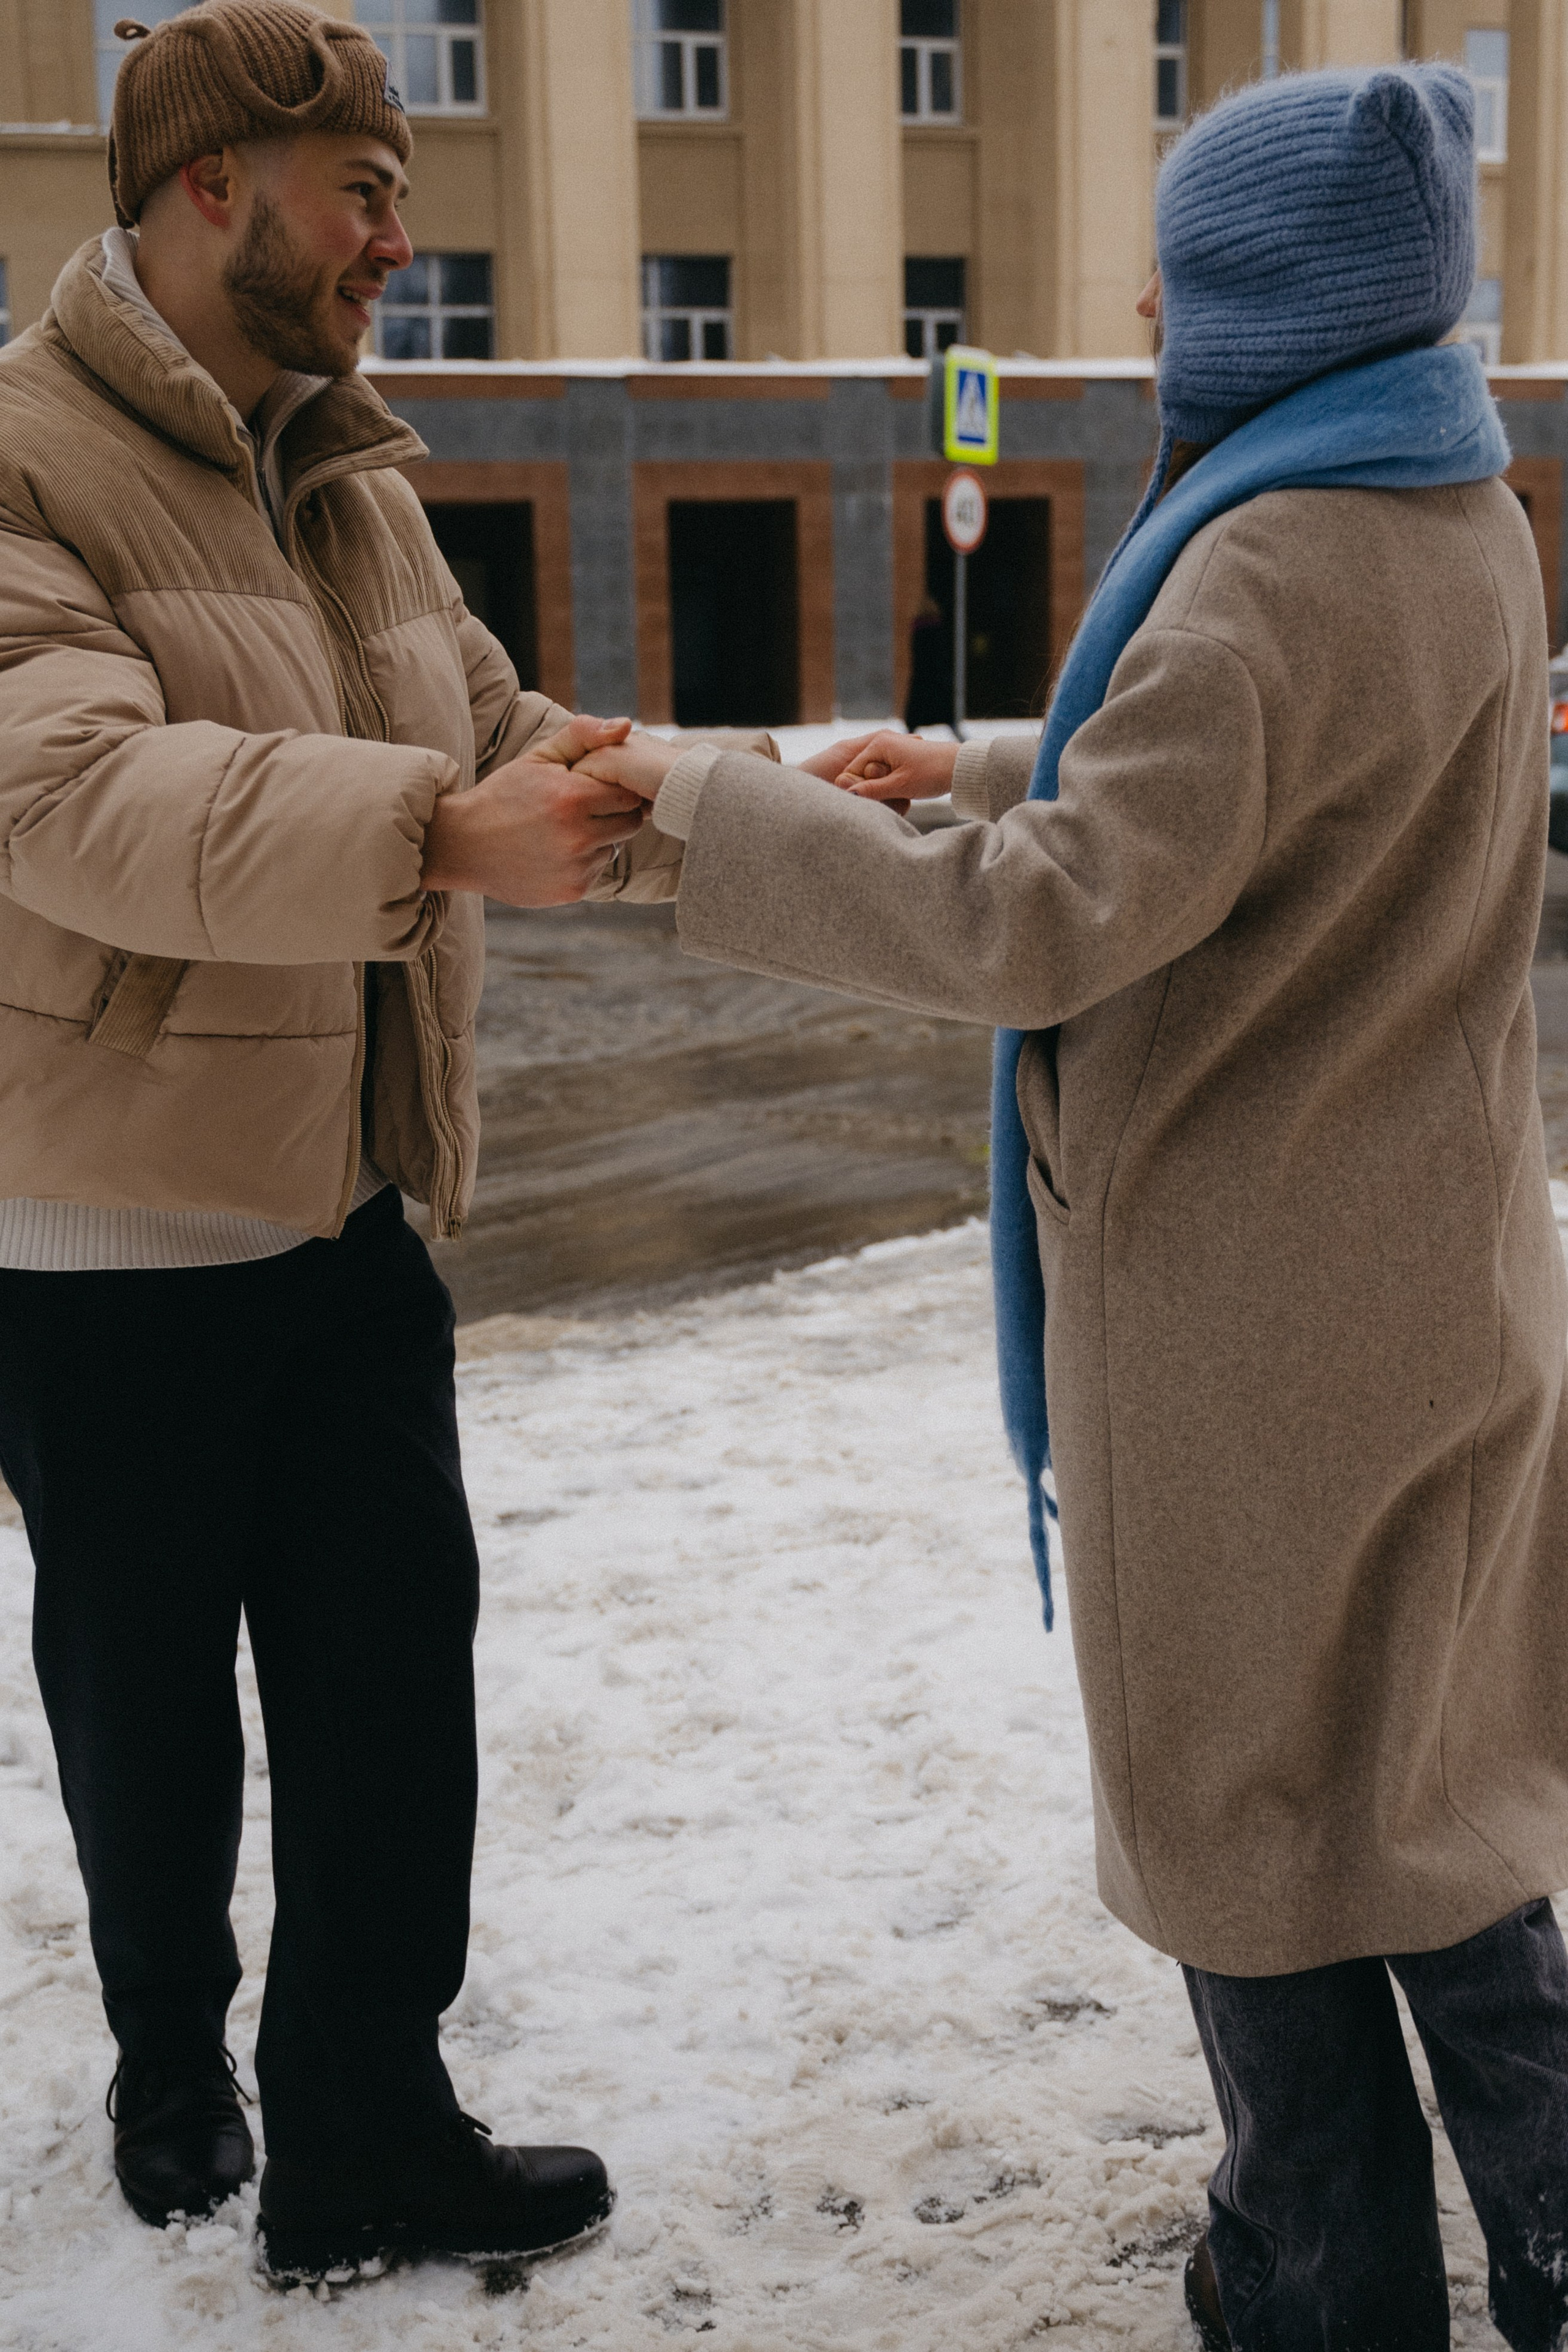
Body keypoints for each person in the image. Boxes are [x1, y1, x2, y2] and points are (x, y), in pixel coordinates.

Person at [576, 66, 1568, 2352]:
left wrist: (711, 808)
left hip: (1253, 1340)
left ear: (1272, 303)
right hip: (1441, 1282)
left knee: (1258, 1834)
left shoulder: (1259, 560)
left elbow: (1037, 928)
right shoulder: (1460, 507)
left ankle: (1318, 2284)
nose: (1139, 301)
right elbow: (1277, 779)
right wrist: (1004, 748)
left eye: (1180, 268)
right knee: (1438, 1808)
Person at [0, 0, 678, 2287]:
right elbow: (77, 798)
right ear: (217, 189)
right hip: (101, 1237)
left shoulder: (351, 477)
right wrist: (439, 825)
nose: (404, 229)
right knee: (148, 1718)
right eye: (365, 187)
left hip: (344, 1200)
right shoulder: (12, 454)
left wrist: (715, 793)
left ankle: (367, 2129)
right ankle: (173, 2067)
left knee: (397, 1689)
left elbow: (493, 728)